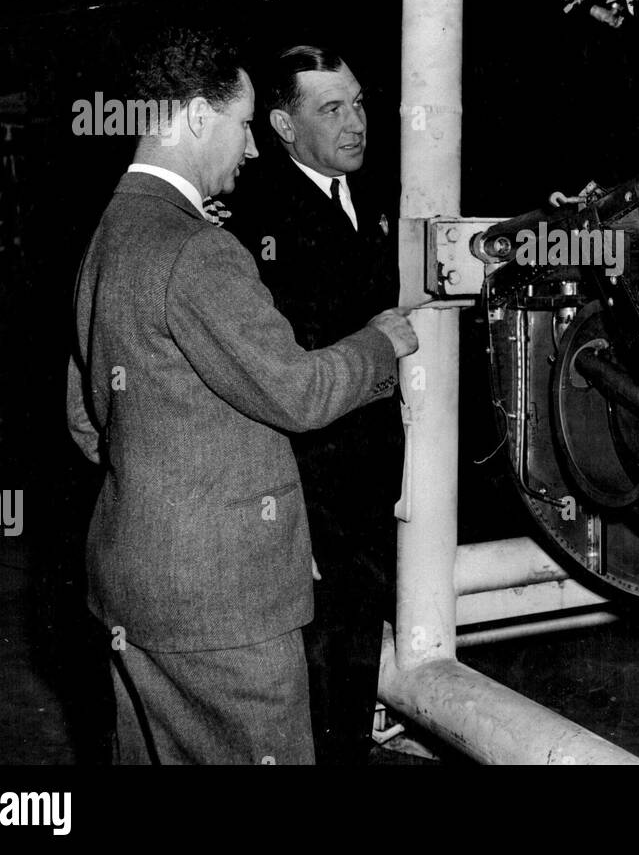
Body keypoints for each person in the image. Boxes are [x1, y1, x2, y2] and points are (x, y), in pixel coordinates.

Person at [64, 28, 417, 765]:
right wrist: (382, 342)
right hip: (223, 603)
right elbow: (298, 392)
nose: (252, 149)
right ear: (197, 117)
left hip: (133, 585)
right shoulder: (199, 248)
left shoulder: (108, 233)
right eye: (242, 123)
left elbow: (86, 417)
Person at [221, 44, 402, 764]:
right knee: (309, 670)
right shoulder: (250, 221)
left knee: (354, 651)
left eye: (358, 103)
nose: (355, 123)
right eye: (331, 108)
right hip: (300, 487)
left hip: (370, 475)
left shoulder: (383, 196)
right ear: (283, 126)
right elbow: (268, 378)